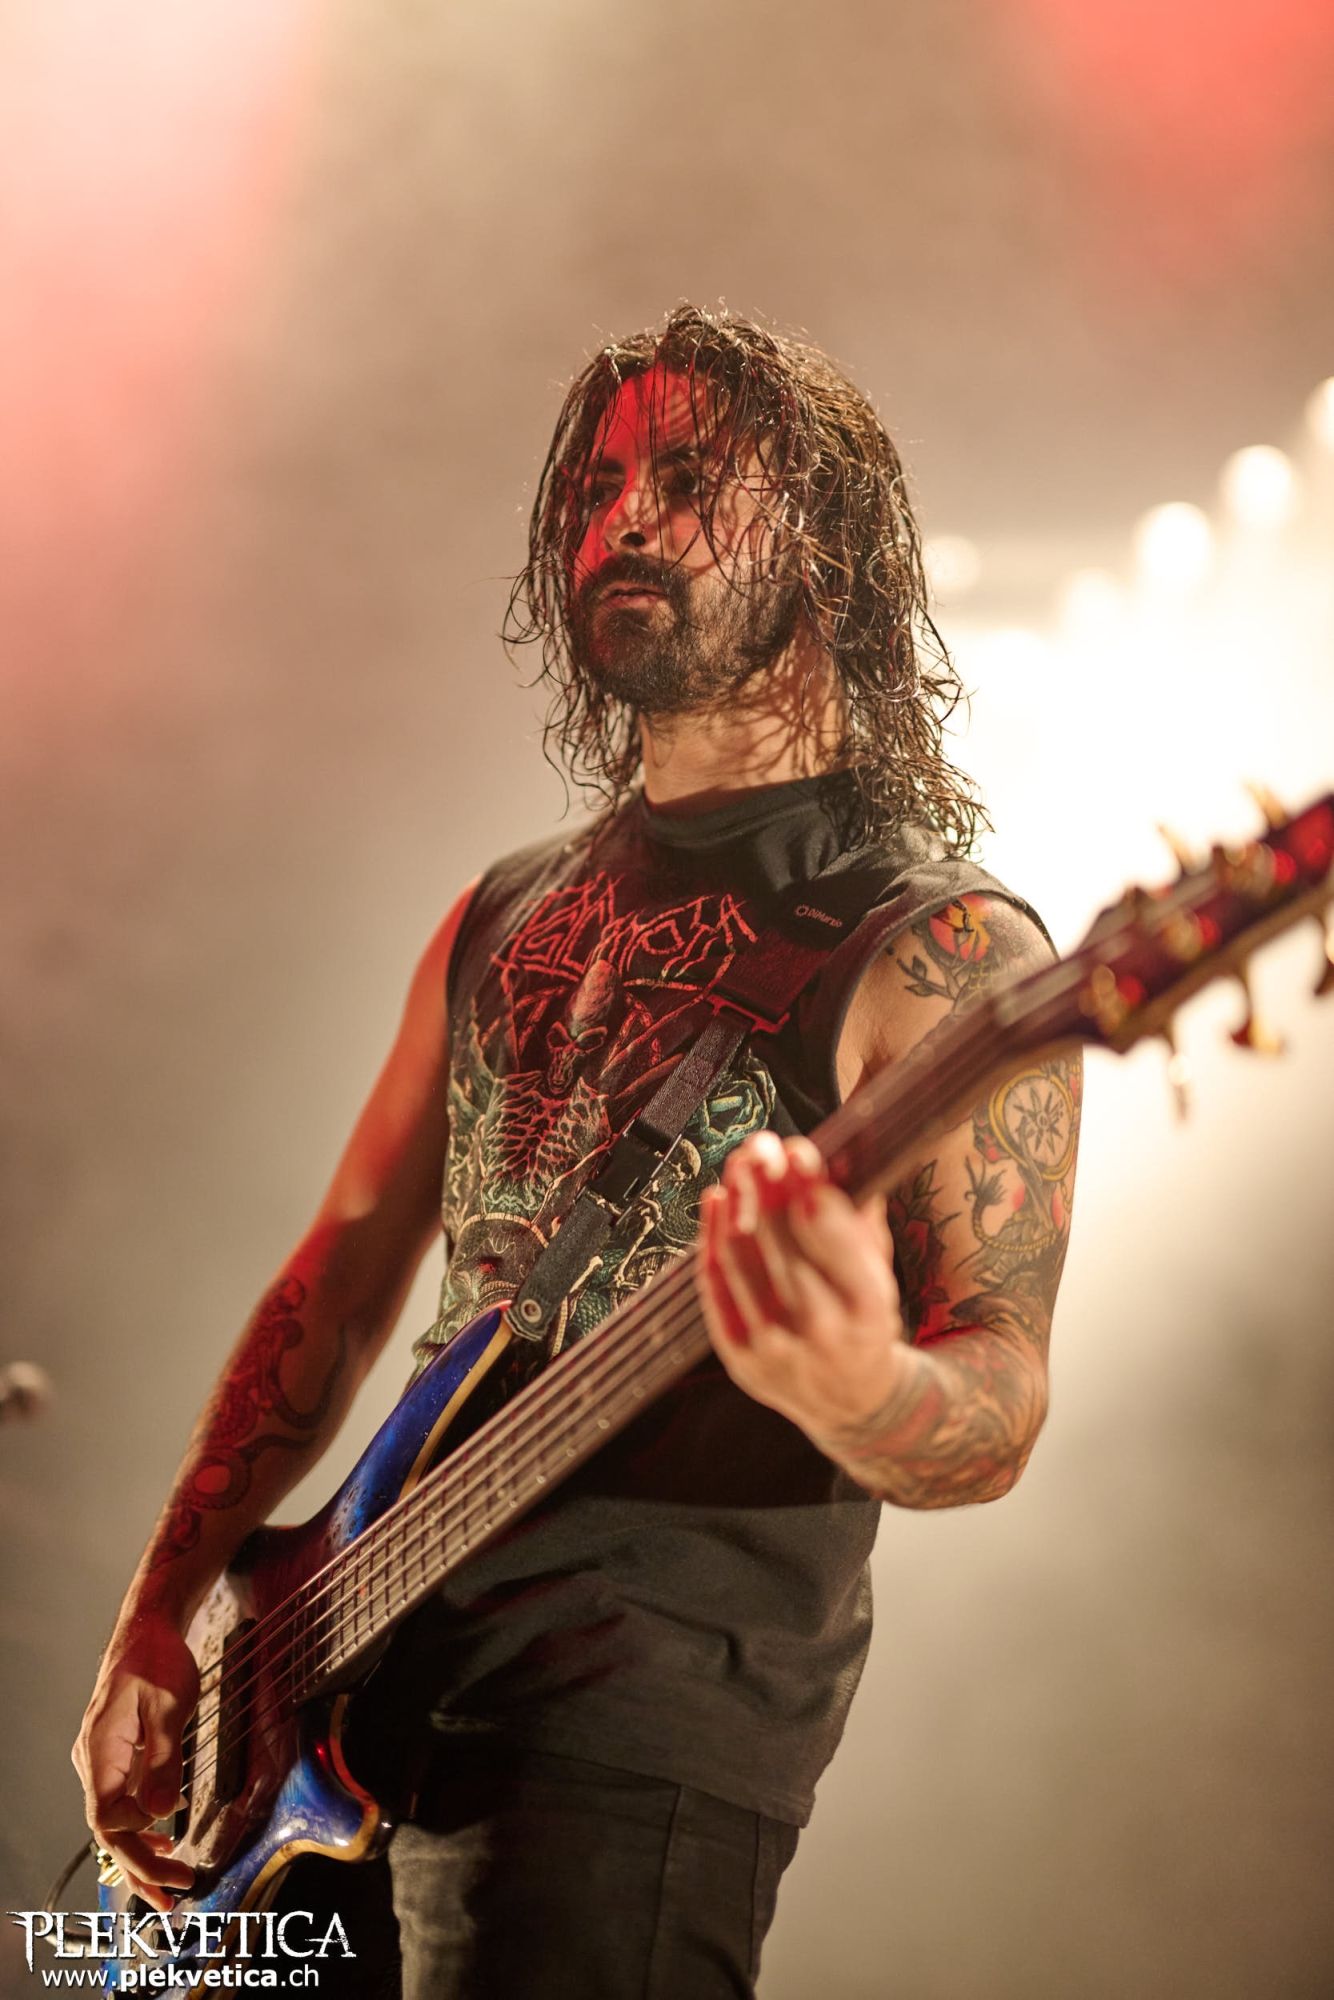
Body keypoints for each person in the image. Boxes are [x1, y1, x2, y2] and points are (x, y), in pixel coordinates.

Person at [73, 306, 1080, 1997]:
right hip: (331, 1692)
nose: (623, 520)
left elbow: (996, 1398)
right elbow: (337, 1284)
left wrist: (855, 1387)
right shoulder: (504, 908)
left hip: (627, 1728)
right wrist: (162, 1609)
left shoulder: (939, 948)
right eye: (596, 488)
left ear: (824, 538)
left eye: (686, 479)